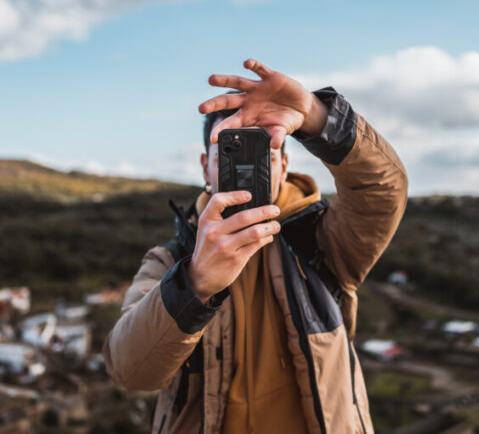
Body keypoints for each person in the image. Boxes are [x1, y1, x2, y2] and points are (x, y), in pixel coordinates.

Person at [103, 59, 408, 434]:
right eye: (229, 152)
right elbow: (130, 369)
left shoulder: (325, 241)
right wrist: (194, 283)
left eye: (264, 151)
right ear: (205, 168)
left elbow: (383, 190)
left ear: (284, 164)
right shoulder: (169, 261)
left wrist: (316, 115)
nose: (248, 168)